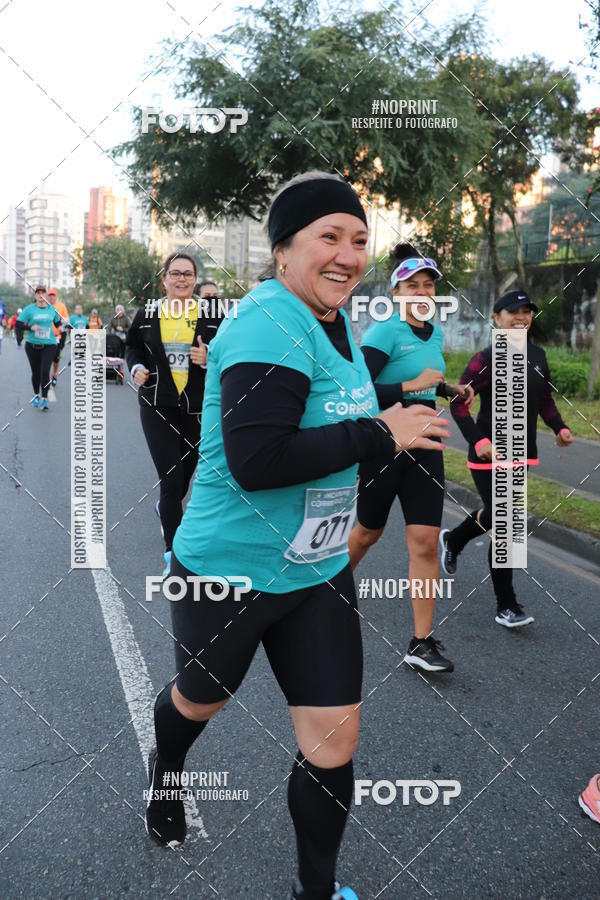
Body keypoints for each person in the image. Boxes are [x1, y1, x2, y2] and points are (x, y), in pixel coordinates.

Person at [145, 172, 450, 900]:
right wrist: (382, 433)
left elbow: (334, 397)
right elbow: (258, 462)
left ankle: (315, 891)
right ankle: (167, 772)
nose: (348, 255)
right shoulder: (264, 324)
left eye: (358, 241)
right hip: (229, 569)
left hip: (314, 569)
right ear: (283, 250)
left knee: (334, 741)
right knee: (199, 703)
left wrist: (399, 400)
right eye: (329, 238)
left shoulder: (335, 316)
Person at [348, 243, 474, 673]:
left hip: (428, 444)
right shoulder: (385, 331)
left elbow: (423, 381)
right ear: (397, 292)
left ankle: (420, 642)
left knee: (422, 542)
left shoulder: (434, 333)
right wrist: (412, 385)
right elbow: (358, 393)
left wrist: (447, 388)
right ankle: (324, 589)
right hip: (386, 445)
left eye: (428, 285)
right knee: (367, 533)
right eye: (412, 285)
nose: (422, 291)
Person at [439, 289, 574, 627]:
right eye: (513, 311)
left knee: (500, 514)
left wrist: (560, 427)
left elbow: (545, 401)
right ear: (496, 318)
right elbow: (457, 402)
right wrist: (479, 439)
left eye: (527, 312)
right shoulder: (485, 359)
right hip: (487, 453)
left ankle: (453, 539)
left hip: (521, 453)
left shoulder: (538, 356)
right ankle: (507, 606)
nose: (521, 317)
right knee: (507, 522)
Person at [126, 253, 225, 572]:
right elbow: (133, 347)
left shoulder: (213, 313)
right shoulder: (148, 312)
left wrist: (208, 355)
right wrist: (137, 368)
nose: (182, 279)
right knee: (171, 481)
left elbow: (231, 351)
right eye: (175, 273)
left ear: (195, 279)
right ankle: (174, 554)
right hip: (157, 404)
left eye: (188, 273)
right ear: (164, 279)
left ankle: (165, 510)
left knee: (184, 478)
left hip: (198, 409)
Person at [17, 287, 64, 410]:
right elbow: (18, 324)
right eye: (38, 293)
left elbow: (58, 323)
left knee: (44, 371)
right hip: (32, 345)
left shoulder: (52, 309)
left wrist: (61, 328)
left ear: (46, 296)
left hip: (49, 345)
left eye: (43, 293)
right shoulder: (29, 309)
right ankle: (36, 395)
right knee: (36, 372)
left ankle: (44, 399)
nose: (41, 295)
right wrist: (30, 327)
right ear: (35, 296)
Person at [47, 288, 69, 386]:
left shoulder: (61, 306)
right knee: (46, 357)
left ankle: (54, 374)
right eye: (50, 295)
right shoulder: (44, 306)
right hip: (46, 336)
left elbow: (66, 321)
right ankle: (45, 376)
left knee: (56, 358)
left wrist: (61, 322)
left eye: (53, 295)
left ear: (56, 296)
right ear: (47, 296)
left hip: (59, 336)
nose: (51, 297)